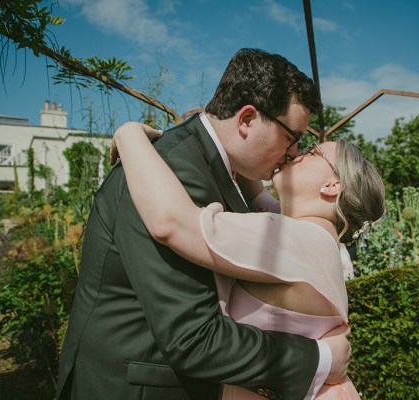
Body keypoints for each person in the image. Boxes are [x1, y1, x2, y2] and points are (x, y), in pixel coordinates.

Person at [56, 48, 352, 400]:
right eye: (291, 137)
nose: (293, 152)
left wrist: (127, 133)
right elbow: (193, 337)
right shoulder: (168, 172)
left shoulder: (222, 169)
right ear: (246, 119)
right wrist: (319, 359)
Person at [109, 122, 386, 399]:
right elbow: (257, 195)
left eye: (313, 151)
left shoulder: (295, 240)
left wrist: (128, 135)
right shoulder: (319, 240)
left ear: (331, 185)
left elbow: (173, 224)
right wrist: (222, 129)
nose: (295, 152)